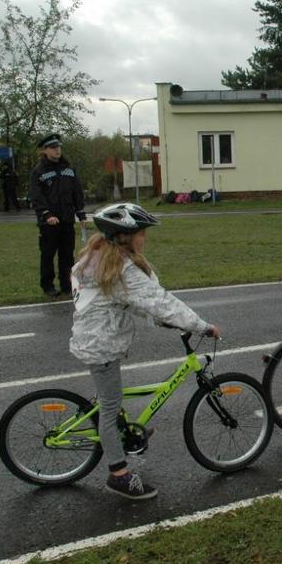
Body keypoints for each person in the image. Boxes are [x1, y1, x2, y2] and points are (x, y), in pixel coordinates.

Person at [69, 202, 221, 499]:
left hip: (97, 338)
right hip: (100, 345)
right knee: (110, 408)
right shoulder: (123, 270)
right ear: (125, 236)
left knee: (112, 400)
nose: (144, 238)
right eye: (141, 232)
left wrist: (158, 320)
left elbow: (131, 301)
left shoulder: (100, 258)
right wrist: (202, 326)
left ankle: (123, 432)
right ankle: (118, 474)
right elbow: (160, 301)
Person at [29, 133, 88, 297]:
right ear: (45, 150)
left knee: (67, 254)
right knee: (48, 254)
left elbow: (77, 191)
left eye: (58, 147)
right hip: (49, 222)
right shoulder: (39, 171)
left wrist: (81, 213)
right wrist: (46, 214)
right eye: (53, 148)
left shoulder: (68, 168)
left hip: (67, 218)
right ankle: (48, 286)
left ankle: (67, 285)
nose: (57, 150)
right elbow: (36, 195)